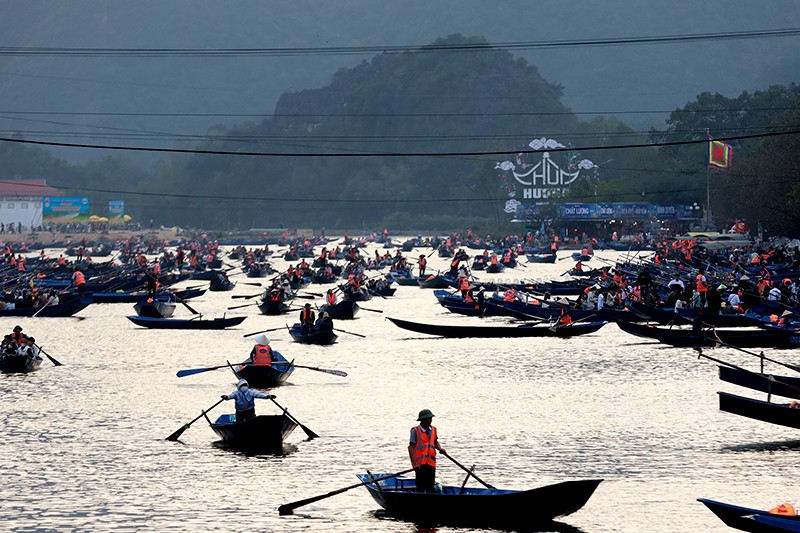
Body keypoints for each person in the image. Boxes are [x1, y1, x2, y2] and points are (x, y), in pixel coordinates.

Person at [408, 409, 446, 493]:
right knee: (421, 487)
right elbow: (411, 448)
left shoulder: (434, 430)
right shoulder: (415, 431)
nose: (430, 421)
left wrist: (440, 449)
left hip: (431, 463)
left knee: (430, 487)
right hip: (420, 464)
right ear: (422, 420)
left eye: (430, 419)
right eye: (428, 419)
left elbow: (435, 441)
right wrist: (415, 463)